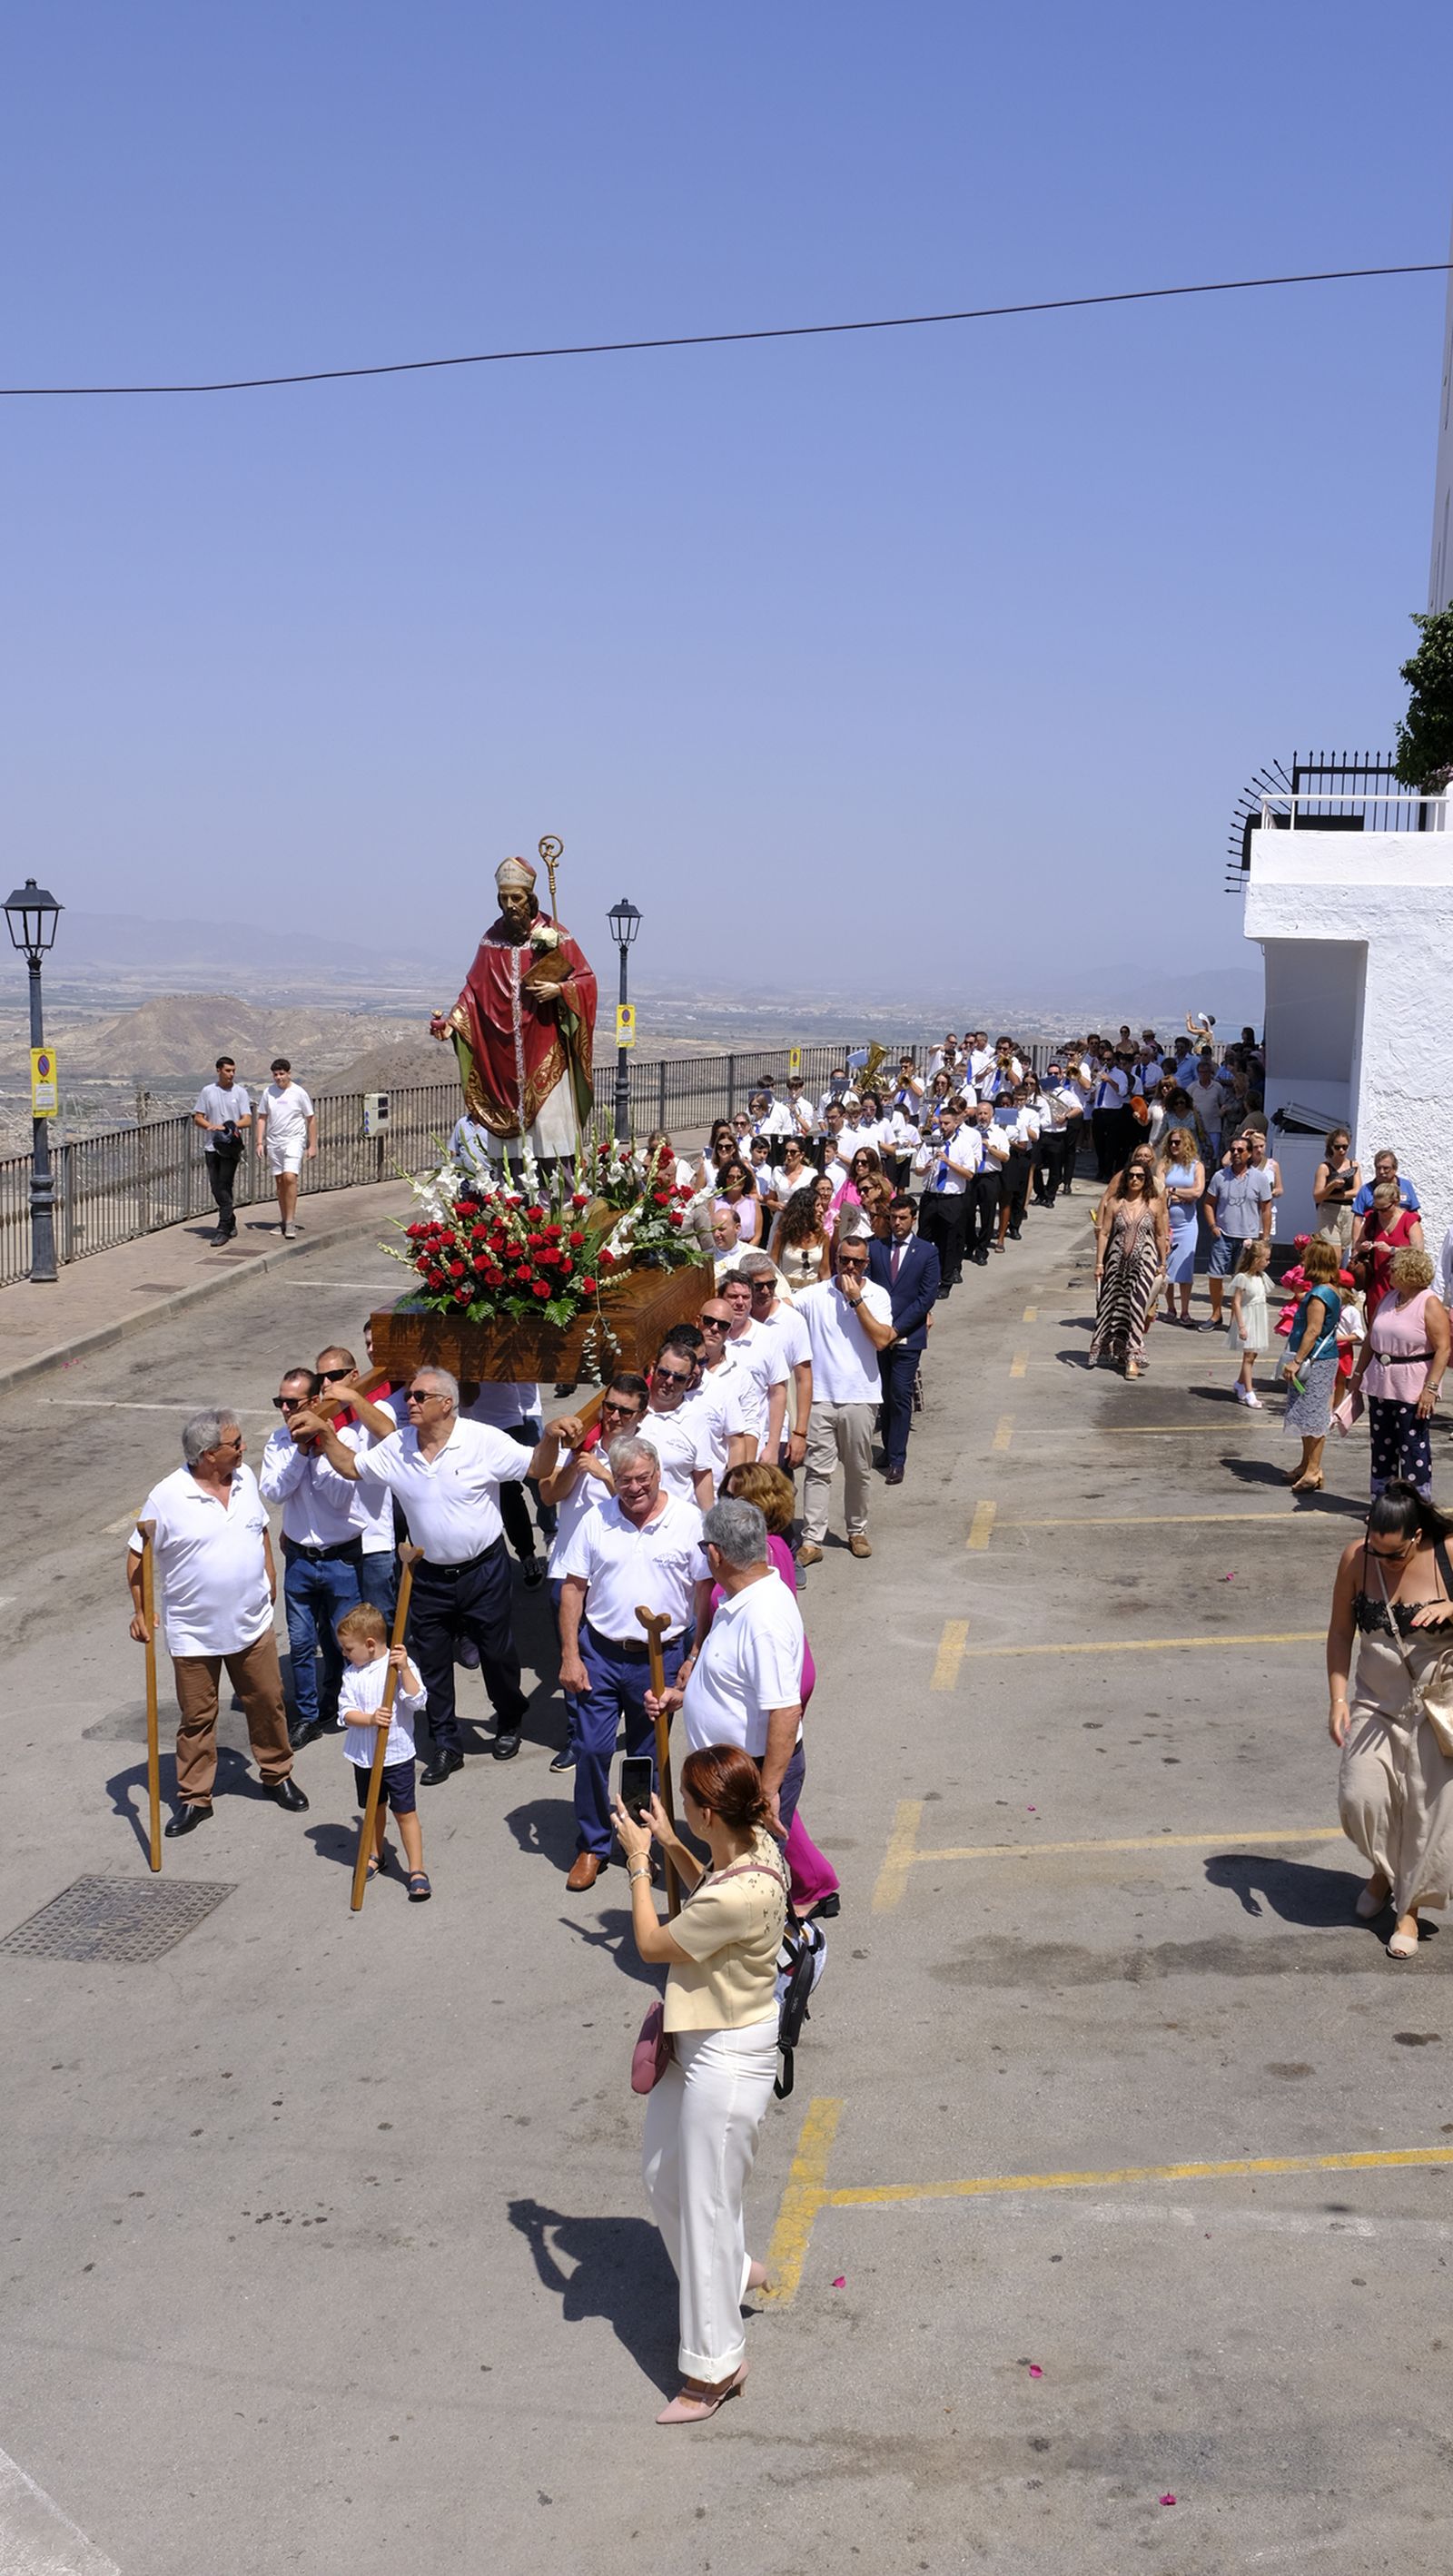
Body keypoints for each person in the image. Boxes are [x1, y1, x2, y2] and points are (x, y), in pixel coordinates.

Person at [611, 1743, 788, 2423]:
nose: (680, 1810)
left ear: (710, 1812)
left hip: (726, 2057)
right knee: (662, 2172)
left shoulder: (743, 1890)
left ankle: (715, 2368)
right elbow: (711, 1886)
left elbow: (655, 1944)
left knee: (709, 2208)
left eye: (686, 1803)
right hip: (700, 2043)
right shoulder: (756, 1848)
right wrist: (668, 1844)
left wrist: (636, 1863)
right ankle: (734, 2269)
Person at [291, 1369, 578, 1777]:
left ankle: (510, 1718)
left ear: (446, 1403)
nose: (410, 1402)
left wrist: (548, 1436)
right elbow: (353, 1467)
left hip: (484, 1570)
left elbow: (534, 1466)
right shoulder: (397, 1447)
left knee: (496, 1653)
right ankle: (446, 1743)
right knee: (433, 1660)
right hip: (426, 1575)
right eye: (409, 1395)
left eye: (419, 1396)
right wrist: (325, 1434)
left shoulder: (481, 1440)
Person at [126, 1410, 308, 1835]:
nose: (244, 1447)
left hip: (251, 1623)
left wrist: (269, 1575)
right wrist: (140, 1610)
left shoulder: (243, 1481)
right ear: (209, 1455)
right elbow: (138, 1556)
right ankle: (195, 1797)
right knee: (197, 1717)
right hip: (194, 1633)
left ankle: (277, 1773)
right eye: (236, 1443)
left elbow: (260, 1529)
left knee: (267, 1701)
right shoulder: (168, 1496)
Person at [555, 1436, 713, 1892]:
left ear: (659, 1474)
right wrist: (570, 1655)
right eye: (625, 1481)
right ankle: (593, 1843)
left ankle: (641, 1842)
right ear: (615, 1480)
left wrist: (694, 1656)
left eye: (644, 1478)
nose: (636, 1488)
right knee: (590, 1749)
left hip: (660, 1659)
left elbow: (704, 1594)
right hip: (601, 1654)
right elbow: (573, 1589)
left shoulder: (687, 1520)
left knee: (646, 1758)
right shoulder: (595, 1521)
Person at [1326, 1483, 1453, 1959]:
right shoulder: (1357, 1559)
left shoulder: (1447, 1554)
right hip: (1375, 1700)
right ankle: (1385, 1870)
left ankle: (1408, 1910)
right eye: (1376, 1552)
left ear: (1417, 1535)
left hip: (1437, 1704)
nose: (1383, 1562)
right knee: (1361, 1797)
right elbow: (1340, 1633)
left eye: (1394, 1555)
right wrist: (1338, 1699)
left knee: (1426, 1811)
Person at [717, 1462, 836, 1915]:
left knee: (772, 1787)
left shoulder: (763, 1551)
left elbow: (764, 1624)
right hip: (778, 1668)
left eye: (736, 1498)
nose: (727, 1505)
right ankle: (815, 1881)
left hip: (780, 1674)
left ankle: (808, 1888)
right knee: (778, 1796)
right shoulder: (761, 1547)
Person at [429, 853, 598, 1167]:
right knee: (512, 1161)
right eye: (504, 898)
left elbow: (586, 981)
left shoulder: (555, 934)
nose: (510, 905)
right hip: (502, 1062)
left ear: (531, 899)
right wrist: (452, 1023)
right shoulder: (491, 941)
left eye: (517, 898)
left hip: (546, 1051)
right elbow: (473, 993)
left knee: (553, 1145)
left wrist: (560, 989)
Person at [654, 1497, 806, 1827]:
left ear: (715, 1553)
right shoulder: (737, 1597)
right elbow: (738, 1681)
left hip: (747, 1776)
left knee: (748, 1873)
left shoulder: (763, 1619)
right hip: (730, 1770)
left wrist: (765, 1795)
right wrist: (684, 1697)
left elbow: (785, 1710)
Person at [538, 1375, 650, 1773]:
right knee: (573, 1657)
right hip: (569, 1567)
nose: (615, 1416)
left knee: (615, 1658)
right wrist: (576, 1467)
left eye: (625, 1410)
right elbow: (548, 1495)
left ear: (642, 1414)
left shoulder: (642, 1457)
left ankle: (632, 1733)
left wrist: (606, 1476)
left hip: (615, 1575)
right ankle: (577, 1736)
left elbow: (645, 1507)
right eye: (610, 1406)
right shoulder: (581, 1446)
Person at [258, 1367, 365, 1749]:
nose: (286, 1410)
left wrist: (322, 1446)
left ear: (316, 1401)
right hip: (302, 1559)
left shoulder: (345, 1437)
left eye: (293, 1402)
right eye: (280, 1402)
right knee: (301, 1643)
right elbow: (274, 1490)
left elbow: (340, 1497)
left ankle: (350, 1704)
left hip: (342, 1558)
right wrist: (302, 1453)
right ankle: (307, 1716)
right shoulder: (278, 1443)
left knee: (348, 1641)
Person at [796, 1239, 896, 1562]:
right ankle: (812, 1539)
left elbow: (882, 1340)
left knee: (858, 1469)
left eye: (858, 1262)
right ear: (836, 1260)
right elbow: (781, 1307)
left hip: (860, 1397)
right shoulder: (815, 1295)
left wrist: (856, 1302)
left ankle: (857, 1531)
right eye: (845, 1260)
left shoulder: (877, 1295)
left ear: (867, 1264)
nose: (850, 1267)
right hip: (821, 1397)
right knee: (818, 1471)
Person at [336, 1604, 431, 1900]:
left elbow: (418, 1700)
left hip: (396, 1756)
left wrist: (404, 1669)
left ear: (369, 1644)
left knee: (405, 1812)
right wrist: (370, 1719)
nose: (344, 1653)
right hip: (364, 1755)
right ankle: (376, 1853)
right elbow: (345, 1713)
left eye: (348, 1648)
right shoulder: (351, 1673)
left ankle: (416, 1869)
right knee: (373, 1809)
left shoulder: (396, 1664)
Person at [1346, 1249, 1449, 1500]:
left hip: (1412, 1388)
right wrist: (1358, 1375)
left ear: (1408, 1272)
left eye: (1394, 1269)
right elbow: (1372, 1338)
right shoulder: (1389, 1298)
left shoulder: (1429, 1302)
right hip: (1382, 1383)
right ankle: (1383, 1503)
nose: (1389, 1272)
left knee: (1412, 1447)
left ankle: (1416, 1506)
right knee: (1382, 1446)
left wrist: (1431, 1388)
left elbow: (1444, 1348)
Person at [866, 1192, 941, 1484]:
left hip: (908, 1335)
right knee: (883, 1394)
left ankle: (898, 1459)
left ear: (914, 1218)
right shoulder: (876, 1248)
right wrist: (880, 1329)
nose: (896, 1223)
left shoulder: (926, 1252)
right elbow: (868, 1289)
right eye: (892, 1218)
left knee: (900, 1394)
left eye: (902, 1218)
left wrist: (897, 1329)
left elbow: (926, 1298)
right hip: (879, 1336)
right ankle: (888, 1448)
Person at [1089, 1160, 1170, 1379]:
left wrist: (1162, 1263)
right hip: (1116, 1263)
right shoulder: (1115, 1202)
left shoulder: (1154, 1203)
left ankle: (1133, 1357)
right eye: (1131, 1176)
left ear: (1146, 1180)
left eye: (1140, 1176)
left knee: (1137, 1306)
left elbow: (1161, 1234)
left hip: (1144, 1261)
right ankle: (1119, 1349)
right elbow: (1104, 1233)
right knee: (1115, 1307)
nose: (1135, 1180)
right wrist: (1099, 1263)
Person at [735, 1253, 814, 1470]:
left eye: (771, 1284)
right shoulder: (733, 1322)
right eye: (758, 1286)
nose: (766, 1291)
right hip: (737, 1433)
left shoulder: (793, 1320)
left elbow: (804, 1378)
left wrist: (799, 1433)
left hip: (778, 1432)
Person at [1280, 1234, 1344, 1494]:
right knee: (1307, 1415)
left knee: (1315, 1416)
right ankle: (1306, 1464)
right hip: (1319, 1359)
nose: (1302, 1262)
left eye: (1306, 1258)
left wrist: (1296, 1360)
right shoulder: (1329, 1289)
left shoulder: (1319, 1295)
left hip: (1315, 1361)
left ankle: (1314, 1469)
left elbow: (1313, 1330)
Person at [717, 1274, 791, 1463]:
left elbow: (778, 1392)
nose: (740, 1303)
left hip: (758, 1444)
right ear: (721, 1299)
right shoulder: (710, 1338)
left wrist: (773, 1446)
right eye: (733, 1297)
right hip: (718, 1445)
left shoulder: (768, 1338)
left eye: (746, 1297)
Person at [1201, 1133, 1273, 1326]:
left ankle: (1236, 1319)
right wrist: (1213, 1226)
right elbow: (1208, 1203)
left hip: (1248, 1239)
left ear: (1249, 1154)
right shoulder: (1220, 1177)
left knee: (1241, 1281)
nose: (1235, 1153)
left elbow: (1266, 1209)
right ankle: (1216, 1315)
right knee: (1215, 1276)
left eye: (1240, 1150)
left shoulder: (1259, 1178)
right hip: (1223, 1235)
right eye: (1232, 1149)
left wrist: (1264, 1237)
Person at [642, 1337, 718, 1505]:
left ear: (689, 1381)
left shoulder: (697, 1418)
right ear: (653, 1368)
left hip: (677, 1523)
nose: (669, 1381)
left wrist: (709, 1524)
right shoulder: (631, 1410)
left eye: (679, 1378)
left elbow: (702, 1476)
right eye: (664, 1373)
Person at [912, 1103, 977, 1295]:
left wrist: (948, 1162)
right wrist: (926, 1167)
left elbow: (969, 1174)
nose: (943, 1127)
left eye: (947, 1123)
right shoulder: (931, 1142)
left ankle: (946, 1280)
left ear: (955, 1123)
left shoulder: (963, 1146)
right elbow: (918, 1169)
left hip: (952, 1199)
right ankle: (921, 1277)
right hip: (931, 1196)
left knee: (948, 1242)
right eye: (941, 1123)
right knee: (924, 1238)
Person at [192, 1053, 252, 1247]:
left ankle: (223, 1228)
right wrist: (210, 1126)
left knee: (225, 1184)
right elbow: (198, 1116)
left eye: (233, 1071)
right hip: (212, 1145)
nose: (231, 1074)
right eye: (227, 1071)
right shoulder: (207, 1091)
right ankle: (230, 1218)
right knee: (216, 1187)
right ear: (218, 1071)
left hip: (230, 1146)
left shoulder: (240, 1093)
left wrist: (230, 1126)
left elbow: (247, 1119)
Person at [253, 1058, 316, 1239]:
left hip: (294, 1140)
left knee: (290, 1177)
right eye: (276, 1075)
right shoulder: (268, 1093)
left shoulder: (299, 1093)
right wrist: (259, 1142)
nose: (279, 1078)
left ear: (289, 1073)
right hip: (274, 1141)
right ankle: (283, 1220)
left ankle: (290, 1222)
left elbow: (310, 1118)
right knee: (280, 1181)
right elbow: (262, 1117)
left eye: (282, 1074)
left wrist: (312, 1145)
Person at [1157, 1126, 1204, 1325]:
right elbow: (1159, 1191)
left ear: (1186, 1143)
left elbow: (1197, 1192)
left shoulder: (1196, 1166)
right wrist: (1179, 1194)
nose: (1174, 1145)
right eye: (1171, 1142)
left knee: (1185, 1267)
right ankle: (1170, 1309)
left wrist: (1173, 1190)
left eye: (1178, 1142)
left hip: (1187, 1224)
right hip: (1166, 1222)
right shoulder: (1163, 1165)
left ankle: (1185, 1310)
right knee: (1165, 1266)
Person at [1352, 1179, 1423, 1310]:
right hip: (1376, 1282)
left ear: (1396, 1202)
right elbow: (1358, 1243)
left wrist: (1392, 1250)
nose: (1380, 1213)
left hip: (1403, 1283)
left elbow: (1418, 1252)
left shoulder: (1409, 1220)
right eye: (1376, 1208)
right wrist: (1363, 1246)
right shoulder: (1372, 1219)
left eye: (1384, 1209)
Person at [1227, 1239, 1273, 1407]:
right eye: (1266, 1259)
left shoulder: (1262, 1277)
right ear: (1256, 1259)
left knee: (1253, 1355)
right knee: (1248, 1356)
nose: (1268, 1262)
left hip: (1259, 1316)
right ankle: (1249, 1392)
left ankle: (1240, 1383)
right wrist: (1241, 1326)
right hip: (1248, 1318)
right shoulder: (1242, 1278)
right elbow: (1236, 1302)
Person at [769, 1178, 833, 1289]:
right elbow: (772, 1267)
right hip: (786, 1291)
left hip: (812, 1293)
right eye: (817, 1205)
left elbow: (825, 1272)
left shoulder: (823, 1236)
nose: (822, 1210)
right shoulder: (783, 1233)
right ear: (805, 1209)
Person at [1313, 1128, 1361, 1252]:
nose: (1341, 1150)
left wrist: (1331, 1195)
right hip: (1329, 1210)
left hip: (1348, 1211)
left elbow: (1356, 1191)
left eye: (1345, 1147)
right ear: (1331, 1147)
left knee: (1342, 1250)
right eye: (1338, 1147)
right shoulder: (1324, 1168)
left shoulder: (1354, 1166)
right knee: (1334, 1254)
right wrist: (1332, 1186)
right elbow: (1317, 1196)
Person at [1088, 1058, 1130, 1181]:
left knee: (1111, 1144)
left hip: (1113, 1112)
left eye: (1109, 1059)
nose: (1106, 1062)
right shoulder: (1100, 1073)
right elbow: (1091, 1089)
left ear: (1114, 1061)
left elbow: (1122, 1092)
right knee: (1099, 1143)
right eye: (1104, 1059)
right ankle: (1101, 1170)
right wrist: (1093, 1078)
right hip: (1098, 1111)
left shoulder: (1120, 1075)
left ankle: (1108, 1171)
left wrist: (1110, 1080)